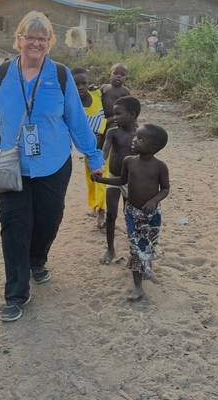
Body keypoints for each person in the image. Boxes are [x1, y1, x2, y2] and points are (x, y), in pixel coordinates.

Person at [0, 11, 104, 322]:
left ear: (49, 43)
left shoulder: (60, 76)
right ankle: (15, 294)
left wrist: (94, 157)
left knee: (48, 220)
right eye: (29, 37)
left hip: (53, 164)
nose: (35, 43)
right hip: (12, 165)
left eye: (42, 38)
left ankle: (38, 259)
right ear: (18, 40)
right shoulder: (1, 73)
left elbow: (76, 121)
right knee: (14, 226)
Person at [92, 124, 169, 300]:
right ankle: (138, 287)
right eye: (136, 136)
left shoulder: (160, 167)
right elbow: (121, 180)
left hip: (152, 215)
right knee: (136, 248)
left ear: (154, 147)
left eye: (141, 139)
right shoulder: (129, 161)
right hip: (132, 212)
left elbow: (165, 189)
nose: (134, 140)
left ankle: (146, 264)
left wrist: (153, 201)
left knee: (148, 245)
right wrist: (101, 179)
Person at [99, 96, 141, 264]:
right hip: (113, 179)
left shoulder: (141, 134)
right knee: (111, 214)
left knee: (131, 216)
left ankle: (134, 251)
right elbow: (104, 152)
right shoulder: (113, 132)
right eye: (113, 114)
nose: (114, 117)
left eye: (118, 114)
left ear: (132, 114)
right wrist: (98, 166)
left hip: (132, 181)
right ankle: (110, 249)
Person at [73, 69, 109, 229]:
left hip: (104, 146)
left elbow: (112, 90)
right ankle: (96, 206)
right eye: (76, 84)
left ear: (89, 83)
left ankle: (102, 211)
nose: (80, 87)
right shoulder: (72, 103)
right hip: (88, 149)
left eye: (84, 83)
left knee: (101, 178)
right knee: (91, 180)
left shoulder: (98, 95)